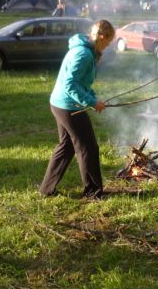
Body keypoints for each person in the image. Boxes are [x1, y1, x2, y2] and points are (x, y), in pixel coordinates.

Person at [40, 20, 115, 200]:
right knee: (88, 147)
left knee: (66, 146)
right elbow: (70, 84)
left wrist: (93, 98)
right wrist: (90, 101)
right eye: (110, 40)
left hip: (59, 103)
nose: (109, 45)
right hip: (68, 106)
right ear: (103, 37)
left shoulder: (85, 49)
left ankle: (47, 189)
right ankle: (93, 193)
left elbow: (81, 82)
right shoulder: (84, 54)